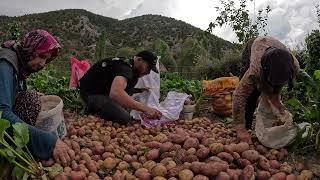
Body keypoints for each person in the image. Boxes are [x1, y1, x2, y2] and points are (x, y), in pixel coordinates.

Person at [0, 29, 74, 165]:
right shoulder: (5, 65)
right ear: (31, 50)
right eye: (41, 56)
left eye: (46, 60)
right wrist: (49, 143)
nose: (42, 64)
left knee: (31, 99)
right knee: (30, 103)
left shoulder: (18, 59)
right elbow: (1, 113)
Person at [233, 36, 300, 144]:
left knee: (272, 97)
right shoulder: (255, 69)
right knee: (251, 96)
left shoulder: (294, 66)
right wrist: (240, 128)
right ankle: (246, 127)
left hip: (271, 48)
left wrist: (275, 97)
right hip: (252, 47)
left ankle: (268, 121)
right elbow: (239, 95)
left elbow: (279, 84)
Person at [79, 50, 162, 123]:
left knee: (129, 106)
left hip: (101, 92)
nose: (148, 72)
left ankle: (100, 108)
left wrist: (138, 90)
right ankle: (92, 111)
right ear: (139, 59)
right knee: (124, 118)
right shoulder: (124, 67)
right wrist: (146, 109)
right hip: (91, 94)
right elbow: (116, 93)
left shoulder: (130, 67)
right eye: (148, 67)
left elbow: (122, 88)